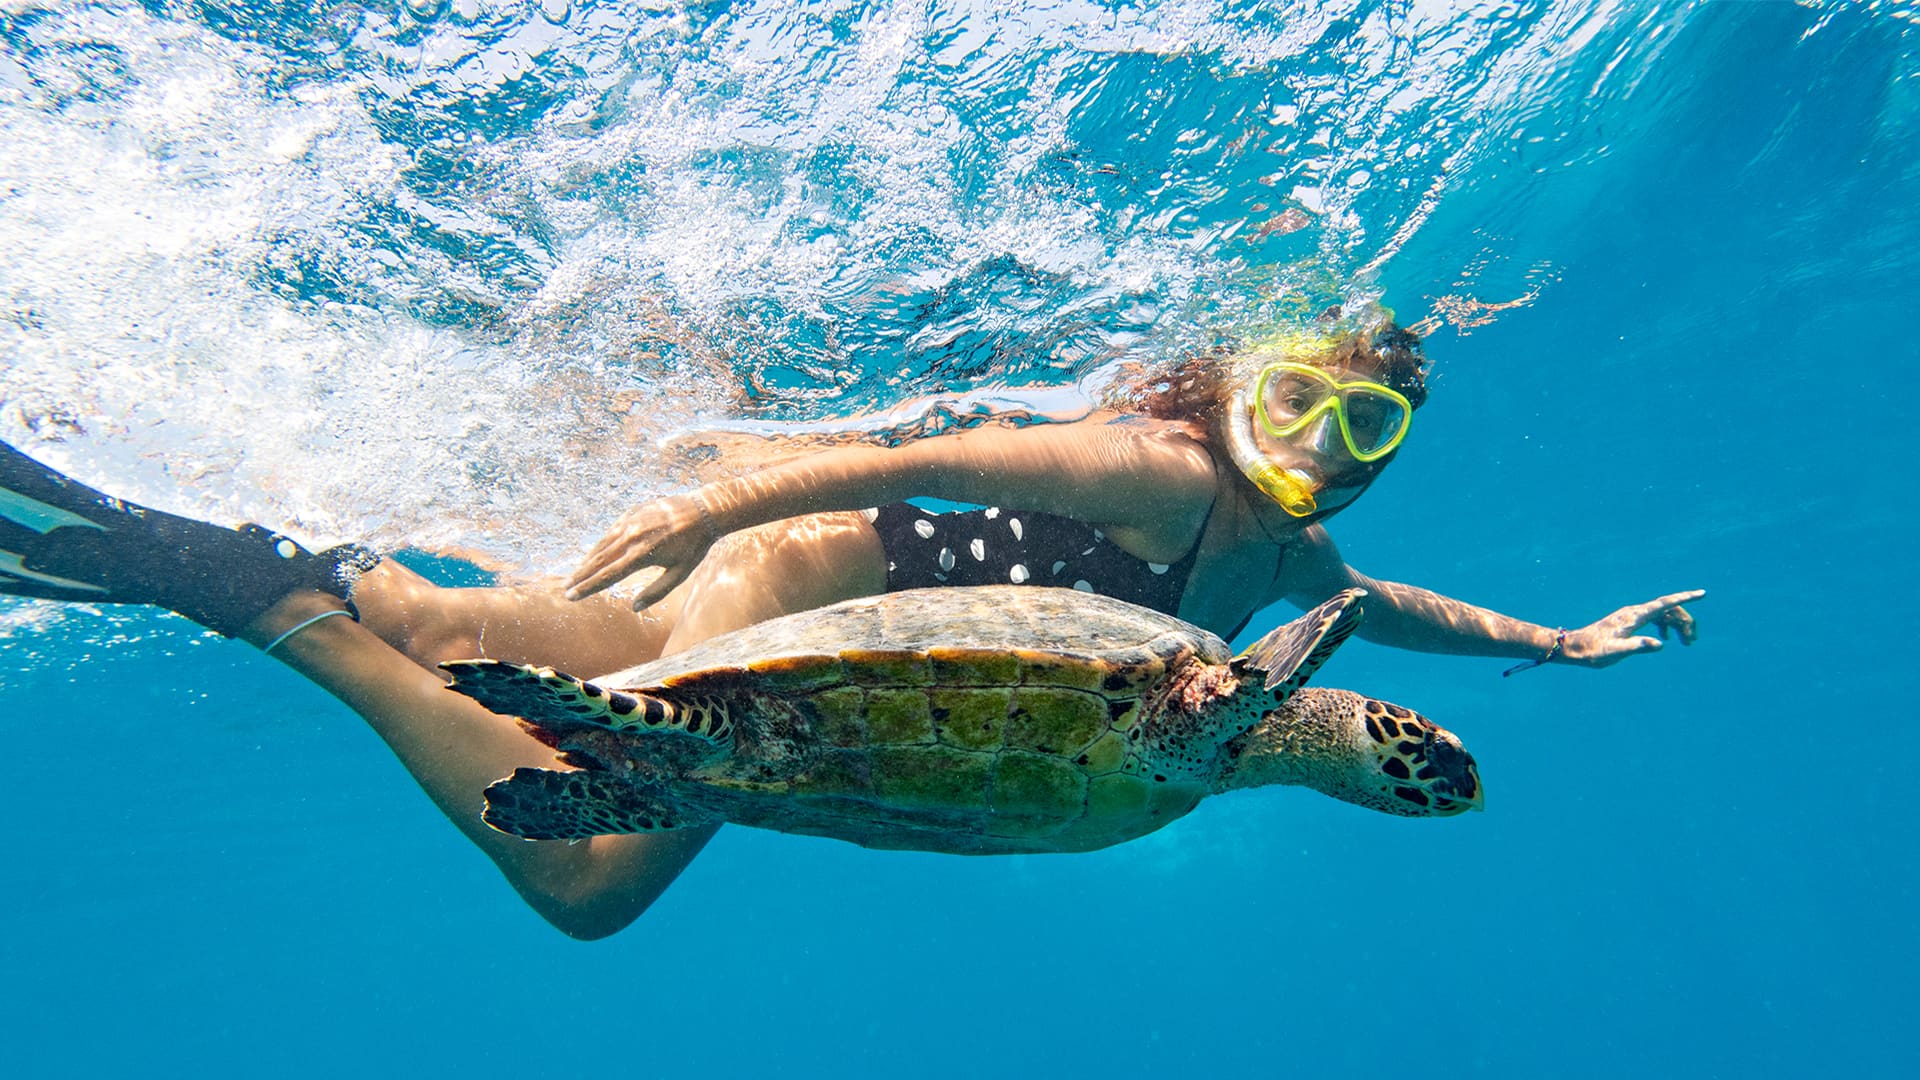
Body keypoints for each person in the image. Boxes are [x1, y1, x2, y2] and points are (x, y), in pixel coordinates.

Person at [0, 319, 1701, 938]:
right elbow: (920, 456)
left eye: (1367, 426)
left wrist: (1562, 645)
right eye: (1300, 395)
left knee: (468, 632)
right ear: (1235, 386)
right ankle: (267, 601)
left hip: (836, 618)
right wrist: (719, 505)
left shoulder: (1285, 567)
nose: (1323, 440)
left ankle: (194, 544)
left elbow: (1380, 606)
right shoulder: (1159, 469)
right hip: (807, 584)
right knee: (585, 873)